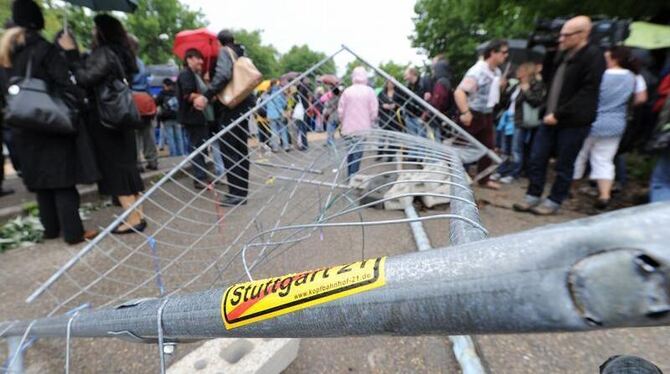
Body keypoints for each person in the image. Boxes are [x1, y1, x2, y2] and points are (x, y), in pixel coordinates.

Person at [1, 0, 97, 243]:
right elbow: (65, 84)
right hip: (51, 123)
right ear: (38, 21)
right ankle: (74, 233)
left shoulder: (7, 54)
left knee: (42, 184)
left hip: (22, 126)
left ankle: (51, 230)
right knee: (62, 181)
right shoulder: (44, 49)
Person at [59, 14, 146, 234]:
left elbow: (84, 78)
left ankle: (133, 218)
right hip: (120, 115)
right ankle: (137, 215)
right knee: (127, 165)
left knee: (116, 167)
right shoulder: (123, 53)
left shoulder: (105, 53)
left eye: (94, 29)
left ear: (102, 31)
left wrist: (71, 53)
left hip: (105, 118)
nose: (91, 32)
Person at [513, 16, 606, 215]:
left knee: (564, 163)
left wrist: (560, 113)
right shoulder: (561, 55)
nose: (561, 38)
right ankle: (533, 195)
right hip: (548, 118)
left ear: (583, 34)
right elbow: (547, 78)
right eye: (561, 34)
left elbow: (587, 93)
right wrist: (548, 50)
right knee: (537, 157)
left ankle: (554, 200)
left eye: (566, 35)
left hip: (573, 121)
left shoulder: (593, 56)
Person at [572, 46, 638, 210]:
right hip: (616, 123)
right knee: (604, 160)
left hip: (592, 120)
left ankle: (571, 188)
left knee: (579, 155)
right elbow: (641, 98)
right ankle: (604, 195)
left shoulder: (601, 74)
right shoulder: (633, 77)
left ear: (614, 58)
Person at [201, 29, 256, 206]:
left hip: (232, 106)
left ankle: (236, 193)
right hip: (244, 103)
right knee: (240, 149)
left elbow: (224, 75)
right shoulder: (241, 52)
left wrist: (207, 93)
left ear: (219, 42)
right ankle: (241, 191)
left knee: (229, 149)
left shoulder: (225, 52)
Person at [454, 39, 509, 190]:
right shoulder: (477, 71)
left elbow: (491, 95)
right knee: (462, 148)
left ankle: (484, 179)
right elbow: (459, 92)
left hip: (487, 114)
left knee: (488, 148)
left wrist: (501, 86)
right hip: (473, 114)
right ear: (493, 52)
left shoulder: (496, 72)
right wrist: (465, 112)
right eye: (504, 52)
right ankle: (456, 181)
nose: (506, 55)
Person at [494, 62, 546, 183]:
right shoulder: (516, 85)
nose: (517, 71)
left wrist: (527, 90)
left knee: (515, 149)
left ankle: (513, 173)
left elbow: (536, 102)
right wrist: (503, 88)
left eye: (521, 69)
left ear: (527, 72)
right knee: (504, 148)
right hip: (507, 120)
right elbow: (504, 102)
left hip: (519, 121)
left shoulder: (535, 85)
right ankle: (502, 170)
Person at [176, 48, 212, 189]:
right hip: (192, 116)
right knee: (197, 147)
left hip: (197, 117)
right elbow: (188, 94)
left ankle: (201, 174)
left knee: (200, 146)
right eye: (198, 58)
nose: (201, 62)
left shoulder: (194, 74)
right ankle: (199, 177)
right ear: (189, 58)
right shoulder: (186, 74)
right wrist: (205, 96)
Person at [337, 66, 379, 176]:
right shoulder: (370, 91)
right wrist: (371, 120)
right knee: (358, 153)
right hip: (362, 128)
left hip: (348, 127)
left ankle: (349, 173)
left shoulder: (347, 91)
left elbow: (341, 110)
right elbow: (374, 111)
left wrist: (342, 122)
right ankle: (353, 176)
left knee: (350, 152)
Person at [128, 35, 158, 172]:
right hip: (145, 98)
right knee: (147, 132)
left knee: (134, 134)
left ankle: (137, 162)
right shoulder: (141, 63)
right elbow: (147, 84)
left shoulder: (126, 62)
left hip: (132, 97)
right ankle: (152, 160)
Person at [427, 56, 456, 143]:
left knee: (437, 143)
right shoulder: (447, 81)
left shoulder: (441, 83)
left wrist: (428, 114)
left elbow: (438, 102)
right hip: (444, 118)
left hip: (438, 120)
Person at [155, 78, 185, 157]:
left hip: (166, 118)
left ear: (164, 85)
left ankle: (173, 154)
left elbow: (156, 103)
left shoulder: (162, 94)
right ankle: (181, 153)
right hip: (177, 117)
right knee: (179, 137)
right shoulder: (176, 93)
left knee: (170, 137)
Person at [265, 80, 289, 152]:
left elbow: (265, 105)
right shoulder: (278, 94)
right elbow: (283, 104)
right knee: (283, 131)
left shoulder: (267, 94)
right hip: (279, 114)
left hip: (270, 115)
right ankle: (286, 146)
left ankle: (275, 148)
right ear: (275, 85)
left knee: (273, 132)